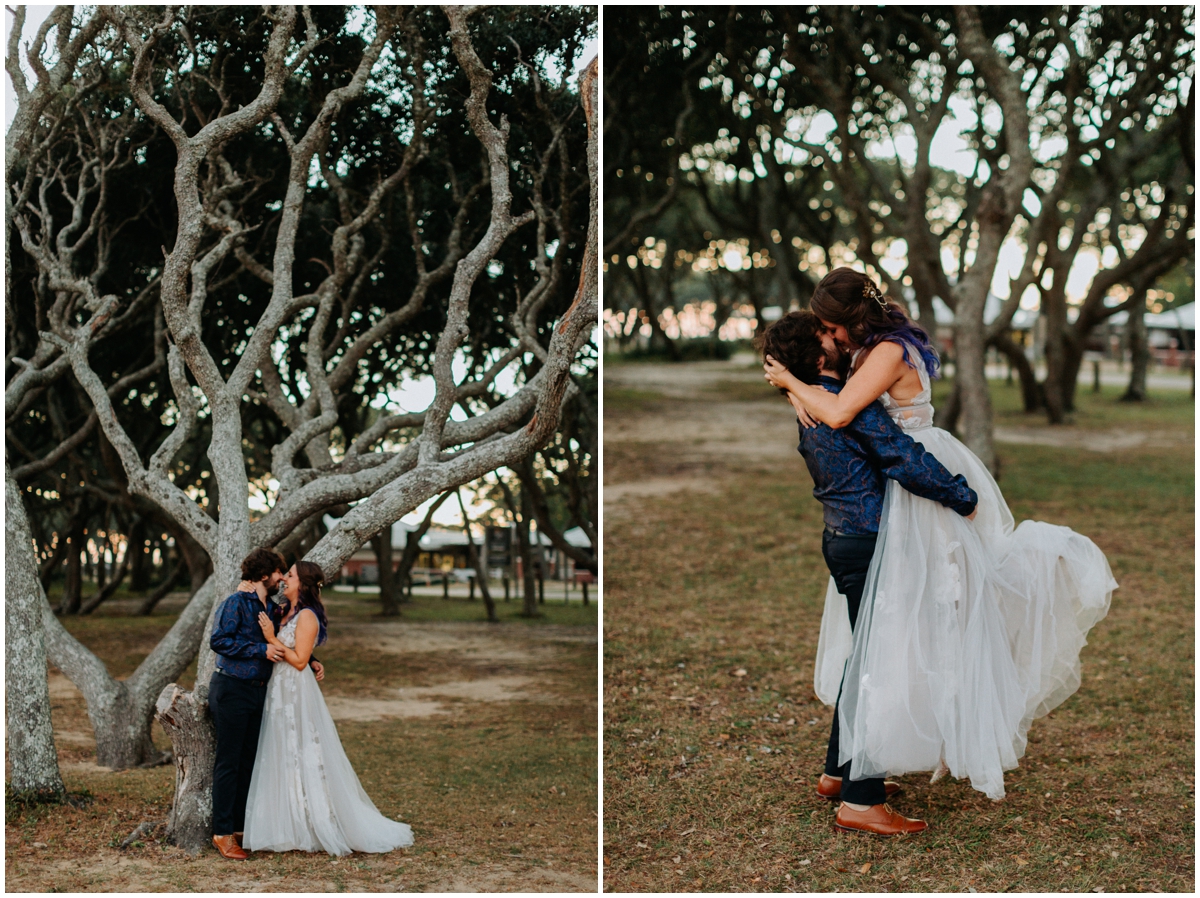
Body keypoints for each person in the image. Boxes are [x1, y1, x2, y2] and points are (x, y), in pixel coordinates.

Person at [764, 268, 1115, 804]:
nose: (829, 337)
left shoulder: (884, 354)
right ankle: (852, 776)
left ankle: (862, 767)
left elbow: (839, 411)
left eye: (831, 327)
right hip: (900, 486)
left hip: (918, 480)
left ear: (851, 321)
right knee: (884, 639)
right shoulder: (864, 351)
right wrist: (798, 384)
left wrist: (792, 383)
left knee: (923, 619)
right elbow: (837, 401)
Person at [757, 310, 979, 836]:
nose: (836, 340)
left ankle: (840, 772)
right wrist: (960, 495)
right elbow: (901, 455)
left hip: (843, 538)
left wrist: (790, 382)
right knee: (879, 661)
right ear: (817, 357)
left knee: (864, 655)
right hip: (870, 541)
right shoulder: (845, 406)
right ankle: (861, 800)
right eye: (826, 338)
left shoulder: (817, 399)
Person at [242, 560, 414, 856]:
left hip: (295, 690)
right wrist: (243, 590)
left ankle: (314, 821)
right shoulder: (283, 611)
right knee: (280, 750)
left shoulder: (307, 616)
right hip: (276, 689)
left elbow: (298, 660)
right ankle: (286, 822)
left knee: (302, 749)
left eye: (291, 575)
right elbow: (298, 650)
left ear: (302, 584)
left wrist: (272, 639)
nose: (284, 579)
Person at [209, 548, 325, 861]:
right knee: (228, 762)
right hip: (231, 688)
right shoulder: (236, 602)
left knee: (248, 761)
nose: (282, 578)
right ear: (264, 575)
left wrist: (311, 659)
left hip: (259, 692)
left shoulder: (271, 608)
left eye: (287, 574)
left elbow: (284, 640)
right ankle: (221, 833)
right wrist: (258, 650)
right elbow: (218, 640)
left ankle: (238, 826)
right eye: (279, 573)